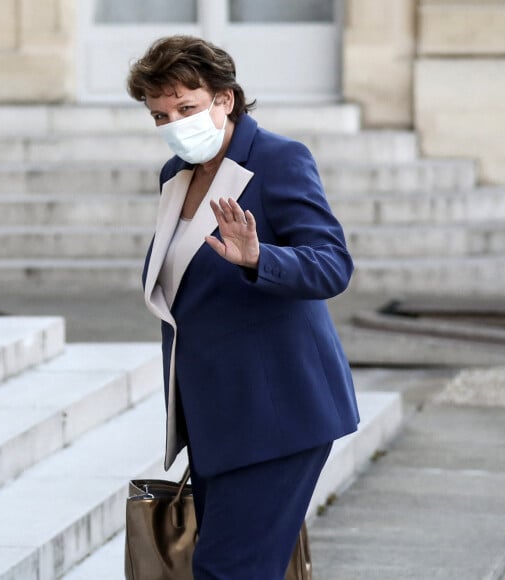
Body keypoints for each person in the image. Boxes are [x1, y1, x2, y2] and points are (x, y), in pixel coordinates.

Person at [127, 35, 359, 580]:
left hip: (278, 414)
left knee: (225, 571)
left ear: (224, 99)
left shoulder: (278, 160)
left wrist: (259, 259)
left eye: (186, 108)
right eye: (160, 115)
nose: (174, 123)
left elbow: (332, 265)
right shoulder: (175, 175)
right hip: (215, 418)